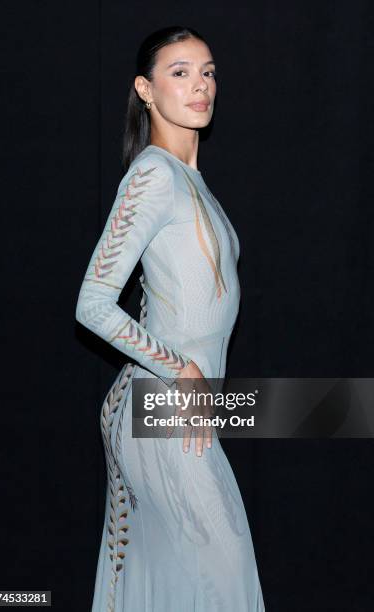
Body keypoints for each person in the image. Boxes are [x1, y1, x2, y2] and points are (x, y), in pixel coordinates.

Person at [75, 24, 265, 612]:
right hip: (158, 403)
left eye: (207, 71)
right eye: (179, 72)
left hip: (182, 407)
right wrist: (180, 370)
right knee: (225, 571)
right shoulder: (155, 174)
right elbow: (92, 304)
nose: (200, 85)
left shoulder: (192, 183)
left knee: (186, 581)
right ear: (146, 90)